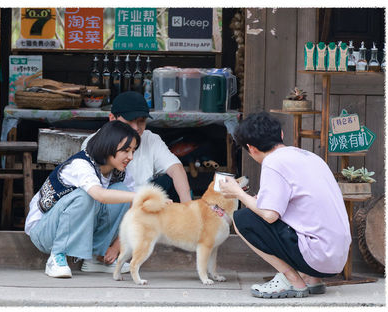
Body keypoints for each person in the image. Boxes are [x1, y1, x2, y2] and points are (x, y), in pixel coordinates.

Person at [219, 112, 351, 298]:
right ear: (281, 134)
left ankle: (291, 280)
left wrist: (238, 193)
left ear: (251, 148)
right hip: (337, 260)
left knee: (242, 219)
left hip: (317, 257)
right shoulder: (310, 157)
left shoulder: (273, 162)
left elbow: (269, 215)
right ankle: (312, 279)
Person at [25, 121, 140, 278]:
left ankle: (95, 258)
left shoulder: (119, 172)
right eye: (126, 151)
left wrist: (116, 245)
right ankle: (56, 256)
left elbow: (134, 205)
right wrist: (141, 196)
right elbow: (99, 195)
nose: (130, 157)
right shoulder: (81, 164)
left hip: (77, 231)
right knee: (86, 195)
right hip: (44, 233)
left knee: (123, 192)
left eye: (133, 151)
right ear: (109, 145)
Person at [81, 91, 191, 204]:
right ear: (112, 118)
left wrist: (187, 207)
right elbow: (96, 193)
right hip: (112, 203)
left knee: (171, 180)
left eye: (141, 121)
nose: (136, 128)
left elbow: (176, 168)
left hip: (144, 200)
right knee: (118, 188)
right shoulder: (94, 143)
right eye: (130, 121)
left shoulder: (150, 138)